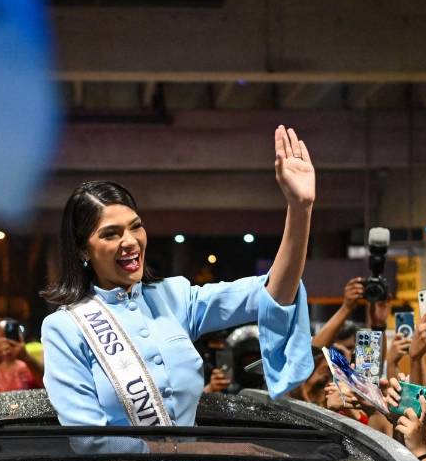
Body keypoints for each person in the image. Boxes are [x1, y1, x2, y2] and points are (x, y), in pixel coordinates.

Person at [40, 126, 315, 426]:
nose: (130, 241)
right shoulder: (65, 329)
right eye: (111, 234)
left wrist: (300, 209)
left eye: (136, 226)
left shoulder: (175, 297)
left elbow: (272, 292)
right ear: (83, 250)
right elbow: (88, 439)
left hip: (193, 457)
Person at [0, 318, 43, 391]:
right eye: (0, 335)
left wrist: (26, 358)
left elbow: (47, 385)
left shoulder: (27, 365)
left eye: (9, 335)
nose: (5, 340)